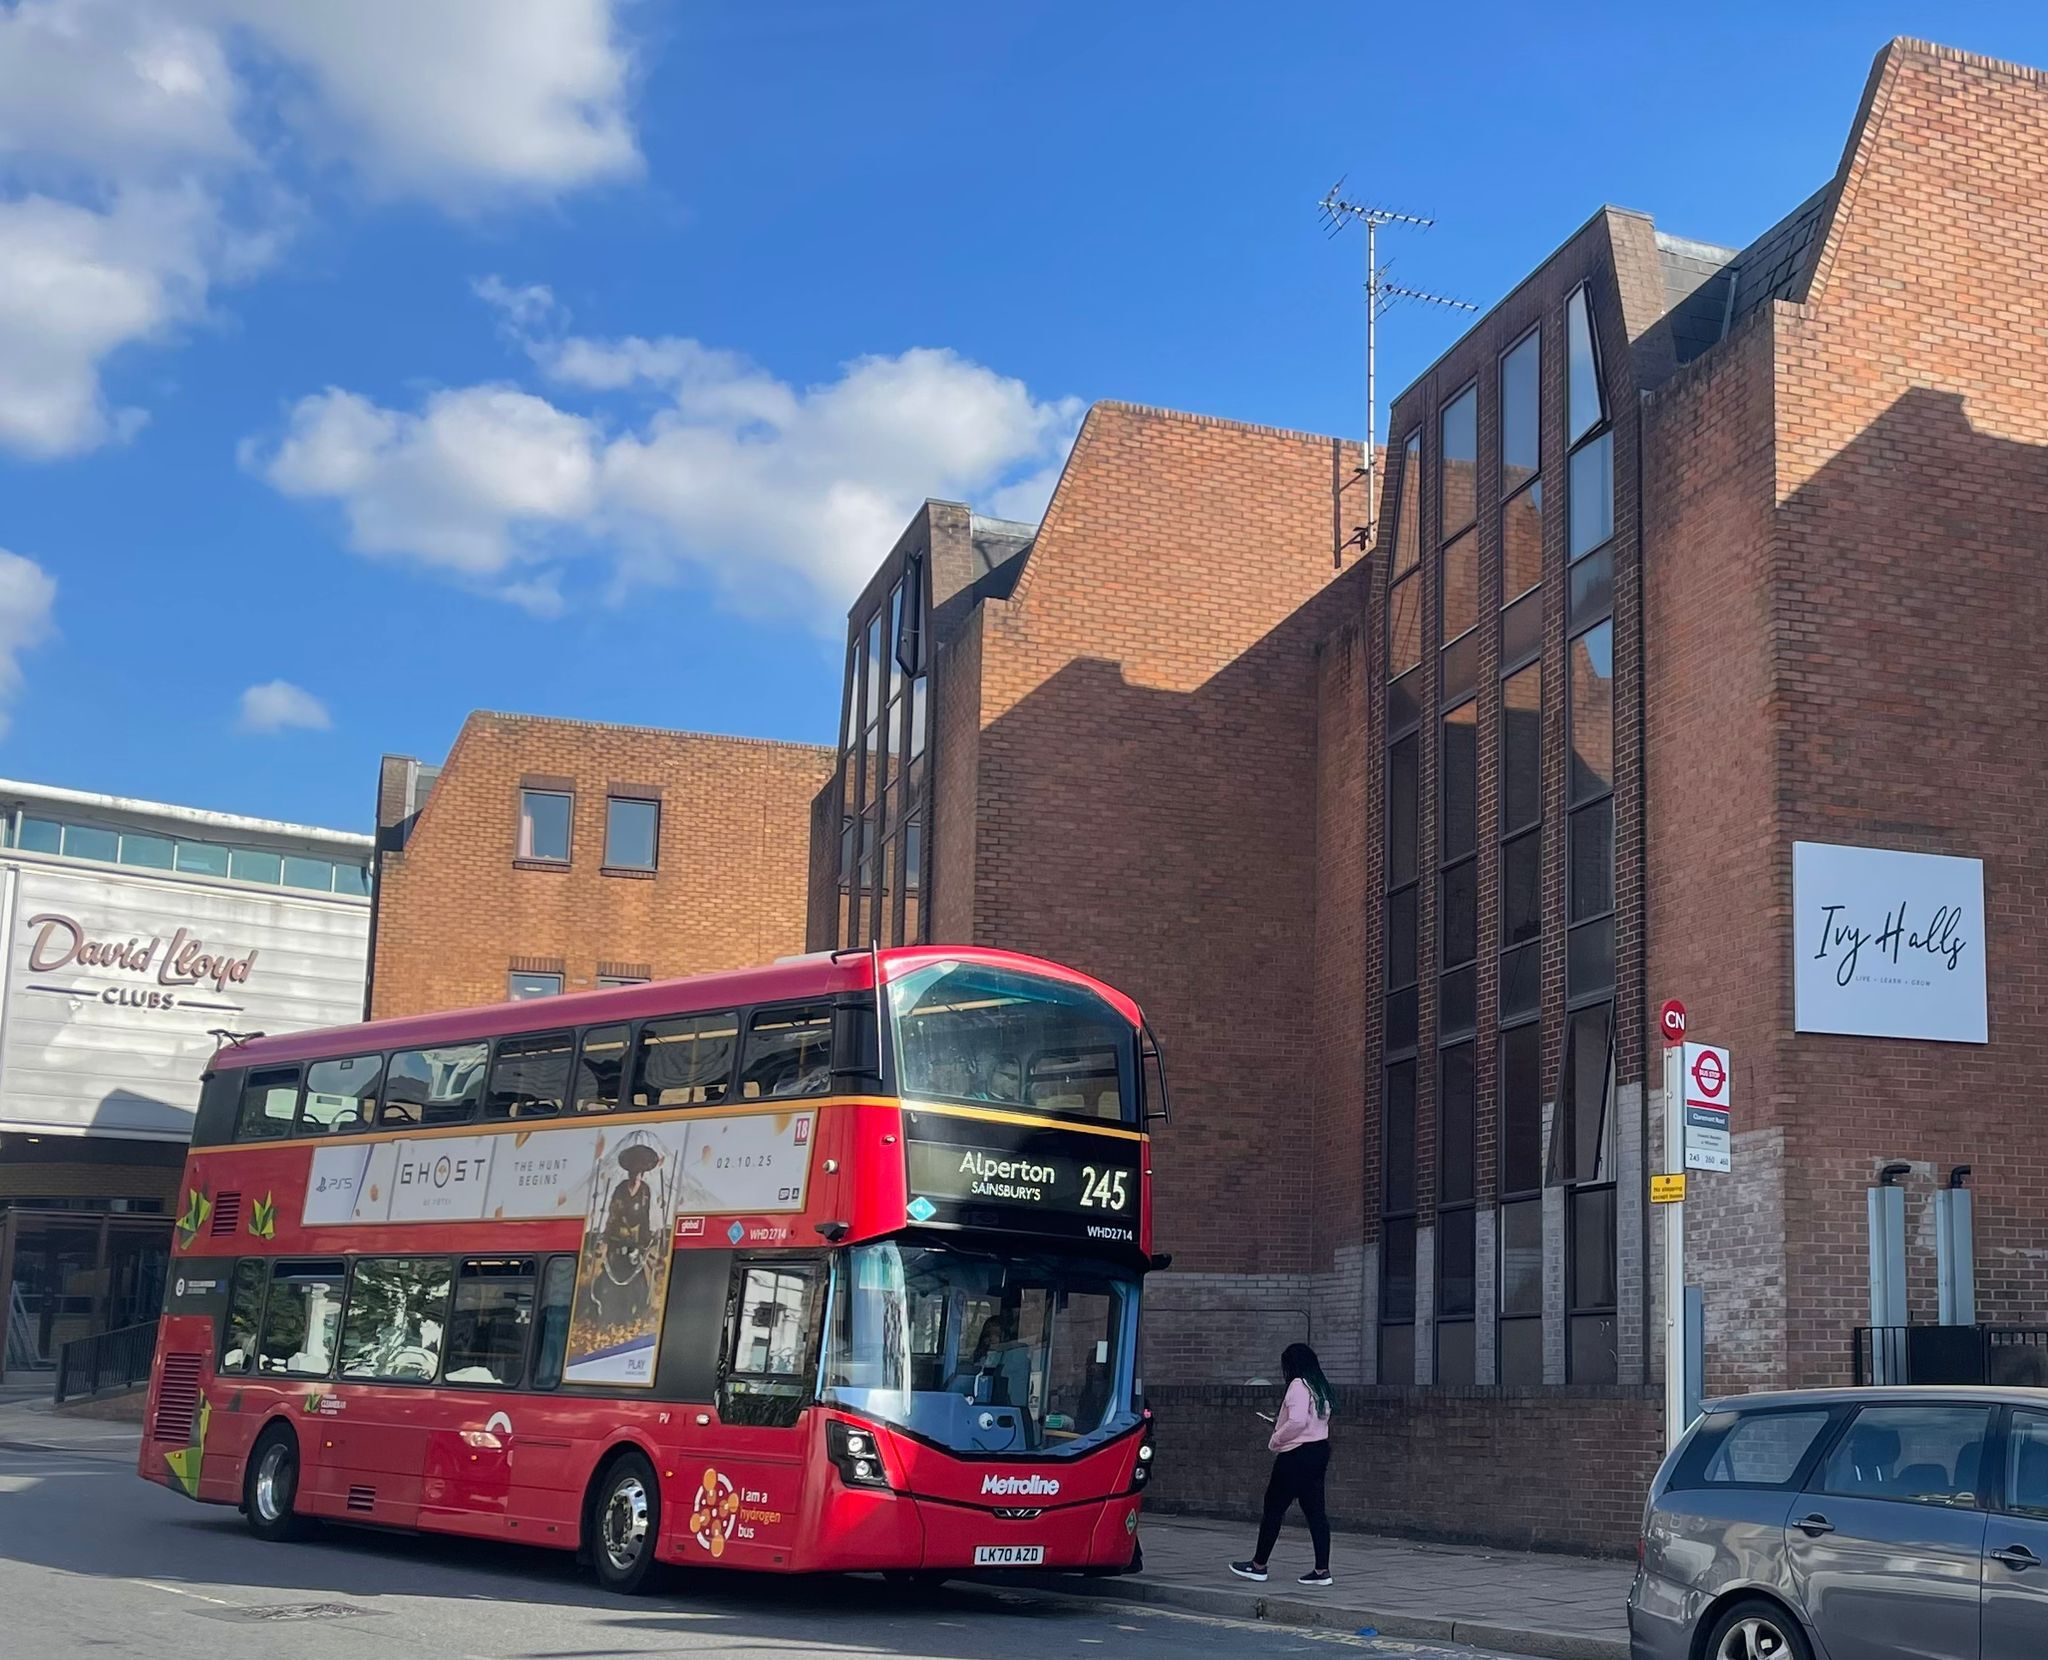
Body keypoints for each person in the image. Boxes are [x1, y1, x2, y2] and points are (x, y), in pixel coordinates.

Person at [1230, 1342, 1334, 1587]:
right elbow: (1314, 1420)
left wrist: (1276, 1438)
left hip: (1296, 1455)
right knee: (1316, 1513)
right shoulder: (1319, 1385)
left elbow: (1297, 1422)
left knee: (1273, 1509)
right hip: (1318, 1451)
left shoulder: (1298, 1385)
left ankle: (1258, 1566)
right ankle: (1322, 1570)